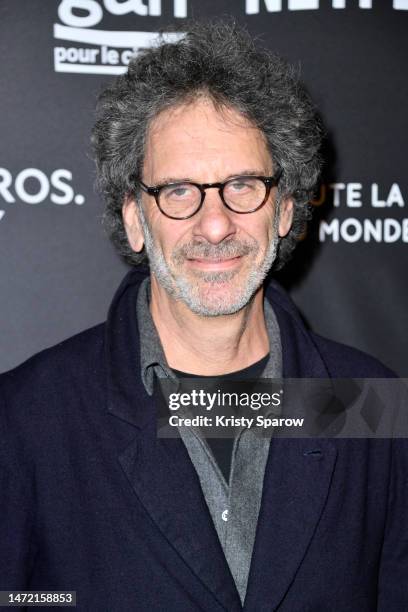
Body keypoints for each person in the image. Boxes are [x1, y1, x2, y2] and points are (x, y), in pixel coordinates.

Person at [0, 20, 407, 612]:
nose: (214, 225)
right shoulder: (25, 419)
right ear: (137, 218)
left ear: (286, 209)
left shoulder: (370, 407)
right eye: (180, 191)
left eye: (242, 185)